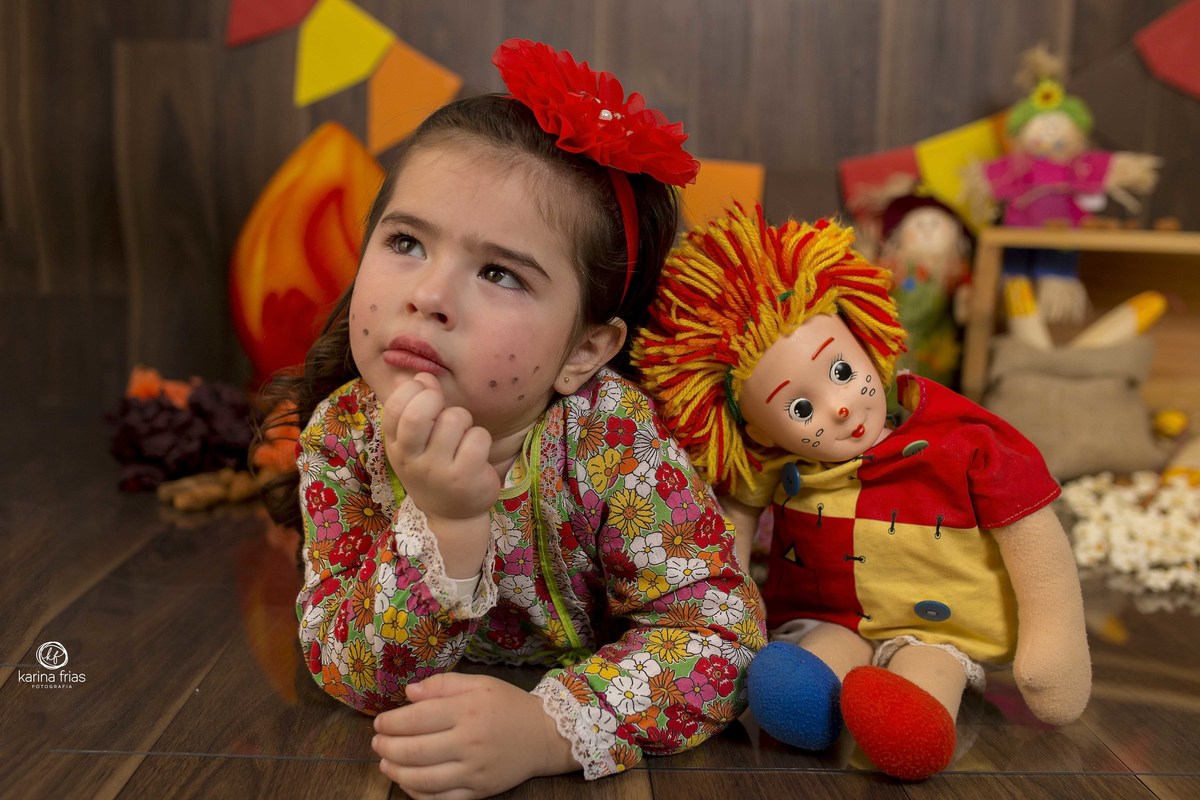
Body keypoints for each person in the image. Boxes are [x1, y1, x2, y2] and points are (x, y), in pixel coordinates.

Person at [262, 39, 766, 799]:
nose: (429, 295)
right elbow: (348, 669)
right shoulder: (343, 435)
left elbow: (722, 640)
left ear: (584, 350)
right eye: (405, 242)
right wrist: (444, 525)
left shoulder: (610, 440)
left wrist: (549, 728)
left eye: (499, 272)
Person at [632, 204, 1090, 780]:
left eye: (842, 372)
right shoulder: (774, 466)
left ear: (865, 340)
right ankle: (817, 702)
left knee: (924, 669)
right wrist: (722, 615)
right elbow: (730, 529)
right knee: (795, 675)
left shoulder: (964, 440)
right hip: (830, 616)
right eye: (801, 408)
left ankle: (914, 712)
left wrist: (1053, 644)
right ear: (757, 431)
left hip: (936, 626)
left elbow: (1032, 532)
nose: (840, 407)